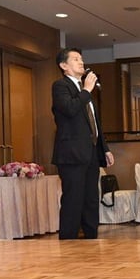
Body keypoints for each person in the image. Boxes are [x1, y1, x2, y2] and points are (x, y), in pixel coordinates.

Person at [51, 48, 114, 240]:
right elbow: (70, 109)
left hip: (91, 152)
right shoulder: (60, 86)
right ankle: (68, 240)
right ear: (64, 66)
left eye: (81, 59)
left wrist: (105, 149)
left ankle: (91, 238)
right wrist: (86, 90)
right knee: (73, 199)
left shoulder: (83, 91)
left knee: (91, 199)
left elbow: (94, 123)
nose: (81, 62)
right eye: (76, 59)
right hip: (71, 154)